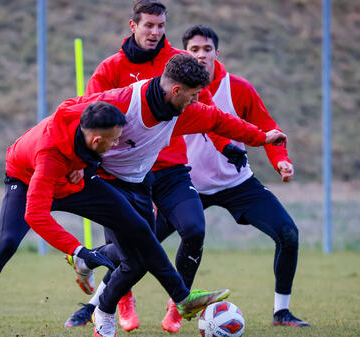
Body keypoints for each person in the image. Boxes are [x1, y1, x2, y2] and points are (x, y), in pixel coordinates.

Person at [0, 94, 232, 337]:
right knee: (6, 243)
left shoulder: (90, 120)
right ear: (94, 140)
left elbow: (68, 104)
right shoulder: (50, 155)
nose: (116, 144)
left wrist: (84, 166)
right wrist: (77, 249)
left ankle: (182, 299)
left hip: (74, 180)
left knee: (139, 228)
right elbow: (35, 214)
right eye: (112, 141)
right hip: (26, 177)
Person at [57, 53, 287, 337]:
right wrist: (75, 162)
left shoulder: (184, 110)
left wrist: (262, 137)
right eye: (193, 95)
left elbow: (219, 120)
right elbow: (66, 112)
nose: (196, 101)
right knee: (138, 252)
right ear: (176, 91)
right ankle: (117, 312)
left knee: (137, 261)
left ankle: (89, 261)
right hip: (106, 183)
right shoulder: (124, 101)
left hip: (140, 182)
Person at [64, 1, 232, 333]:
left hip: (169, 170)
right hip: (122, 174)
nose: (155, 32)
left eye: (161, 26)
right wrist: (81, 162)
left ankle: (176, 307)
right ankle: (119, 299)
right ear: (133, 26)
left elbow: (208, 112)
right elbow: (88, 119)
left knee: (194, 230)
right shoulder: (111, 68)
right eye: (149, 26)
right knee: (135, 252)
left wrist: (229, 145)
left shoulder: (178, 64)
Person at [171, 25, 310, 327]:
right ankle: (96, 306)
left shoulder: (238, 88)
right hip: (184, 185)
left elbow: (266, 128)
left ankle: (281, 312)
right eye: (194, 50)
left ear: (216, 53)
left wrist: (281, 161)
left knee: (288, 234)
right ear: (184, 53)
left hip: (236, 183)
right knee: (138, 240)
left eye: (207, 49)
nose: (201, 55)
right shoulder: (173, 89)